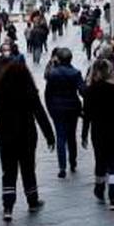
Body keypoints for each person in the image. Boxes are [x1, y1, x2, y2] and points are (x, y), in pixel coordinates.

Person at [0, 62, 55, 221]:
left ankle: (8, 208)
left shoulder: (0, 90)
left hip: (6, 136)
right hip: (27, 135)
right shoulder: (29, 90)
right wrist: (49, 136)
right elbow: (40, 114)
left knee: (8, 172)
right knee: (28, 169)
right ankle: (32, 202)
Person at [82, 59, 114, 210]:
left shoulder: (90, 91)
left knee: (100, 160)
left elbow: (87, 115)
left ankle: (99, 187)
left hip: (98, 130)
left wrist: (84, 134)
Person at [44, 47, 84, 178]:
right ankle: (72, 161)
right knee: (71, 136)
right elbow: (83, 91)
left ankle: (62, 167)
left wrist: (50, 108)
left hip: (57, 109)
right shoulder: (75, 73)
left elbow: (47, 94)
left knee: (60, 136)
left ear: (59, 59)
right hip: (72, 108)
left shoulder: (52, 73)